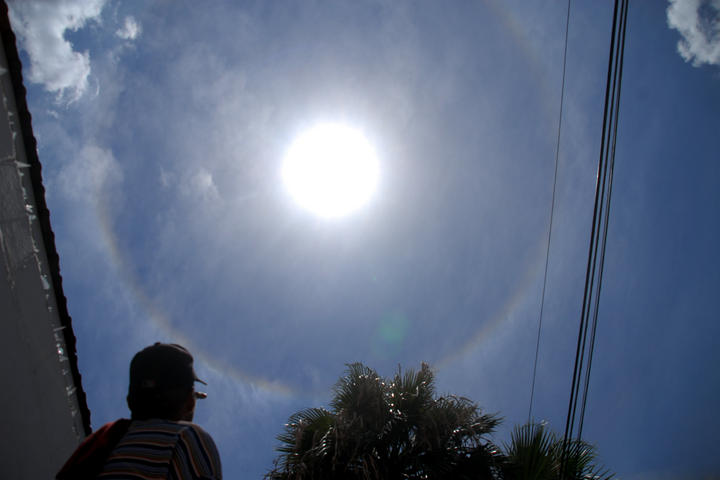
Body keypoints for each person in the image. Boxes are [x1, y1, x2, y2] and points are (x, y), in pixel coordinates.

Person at [57, 343, 222, 479]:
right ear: (189, 402)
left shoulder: (103, 446)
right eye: (191, 392)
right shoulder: (185, 437)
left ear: (130, 400)